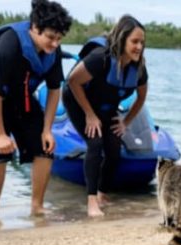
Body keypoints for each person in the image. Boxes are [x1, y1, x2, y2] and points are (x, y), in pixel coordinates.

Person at [0, 0, 71, 221]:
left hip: (21, 96)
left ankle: (37, 207)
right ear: (35, 28)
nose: (55, 43)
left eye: (59, 38)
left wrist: (47, 129)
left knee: (45, 148)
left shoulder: (53, 50)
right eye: (51, 37)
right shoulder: (10, 44)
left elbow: (55, 89)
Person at [63, 15, 148, 217]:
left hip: (105, 106)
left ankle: (102, 194)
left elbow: (141, 97)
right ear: (122, 39)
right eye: (134, 41)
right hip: (78, 101)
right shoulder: (100, 58)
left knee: (114, 148)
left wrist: (125, 122)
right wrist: (90, 115)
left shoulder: (139, 69)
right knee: (95, 142)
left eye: (142, 42)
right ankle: (92, 202)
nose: (139, 47)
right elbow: (73, 82)